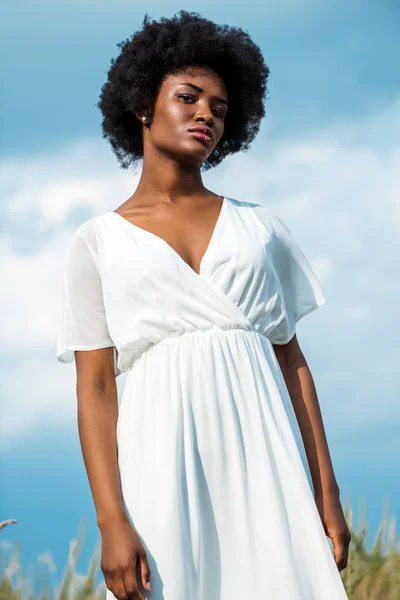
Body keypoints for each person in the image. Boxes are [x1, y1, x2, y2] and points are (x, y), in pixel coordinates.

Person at [56, 9, 351, 600]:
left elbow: (292, 362)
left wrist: (327, 492)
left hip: (265, 459)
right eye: (188, 98)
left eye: (219, 108)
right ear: (142, 105)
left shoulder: (260, 228)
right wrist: (112, 522)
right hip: (157, 460)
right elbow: (94, 388)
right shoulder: (98, 241)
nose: (205, 116)